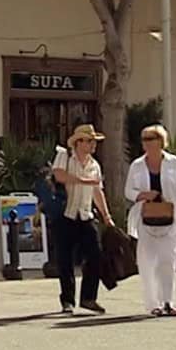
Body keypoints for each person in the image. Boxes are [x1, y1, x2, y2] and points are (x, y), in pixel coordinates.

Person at [124, 124, 176, 317]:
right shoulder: (137, 165)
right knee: (146, 262)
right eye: (144, 139)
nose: (146, 143)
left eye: (151, 139)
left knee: (167, 260)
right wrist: (144, 194)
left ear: (161, 142)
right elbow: (128, 191)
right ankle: (153, 304)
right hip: (145, 218)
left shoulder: (174, 163)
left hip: (170, 218)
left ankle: (168, 301)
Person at [51, 124, 115, 314]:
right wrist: (83, 181)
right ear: (79, 142)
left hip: (86, 214)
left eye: (94, 141)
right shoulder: (65, 157)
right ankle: (67, 300)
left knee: (95, 255)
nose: (93, 144)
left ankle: (88, 298)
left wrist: (106, 216)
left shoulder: (94, 165)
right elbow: (59, 175)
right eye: (89, 141)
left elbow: (97, 191)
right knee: (65, 259)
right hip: (66, 214)